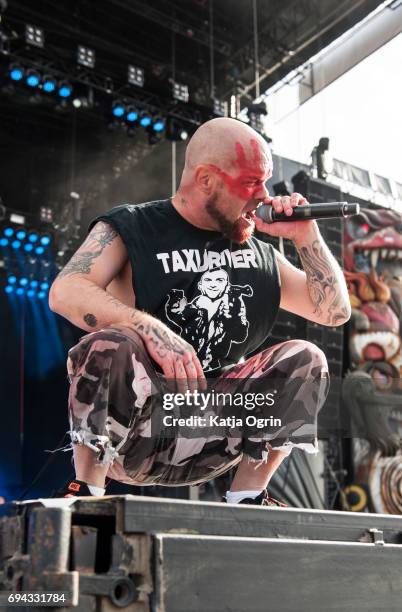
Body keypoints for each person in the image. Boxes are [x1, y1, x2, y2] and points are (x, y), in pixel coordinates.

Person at [49, 117, 351, 506]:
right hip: (138, 431)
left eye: (265, 182)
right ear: (207, 179)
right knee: (111, 343)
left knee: (307, 358)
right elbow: (65, 290)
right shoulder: (134, 226)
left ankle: (248, 496)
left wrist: (305, 235)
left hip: (216, 436)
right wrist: (150, 329)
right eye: (250, 182)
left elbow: (334, 311)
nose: (263, 195)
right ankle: (86, 492)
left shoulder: (259, 254)